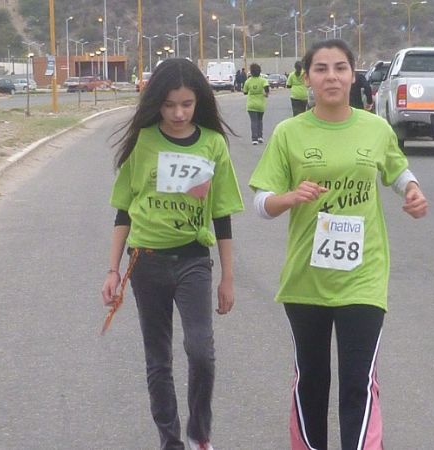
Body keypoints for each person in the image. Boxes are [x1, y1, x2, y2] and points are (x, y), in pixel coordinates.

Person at [248, 39, 428, 450]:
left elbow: (398, 171)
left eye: (341, 68)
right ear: (306, 77)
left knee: (358, 380)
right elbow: (261, 204)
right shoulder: (289, 133)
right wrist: (290, 197)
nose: (332, 76)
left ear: (353, 74)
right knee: (311, 378)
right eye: (322, 69)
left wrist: (413, 191)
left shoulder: (375, 128)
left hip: (363, 275)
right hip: (306, 278)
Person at [102, 58, 244, 450]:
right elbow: (123, 210)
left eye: (186, 104)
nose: (178, 113)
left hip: (193, 260)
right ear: (156, 104)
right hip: (144, 261)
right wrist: (112, 270)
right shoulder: (144, 141)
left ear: (198, 101)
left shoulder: (213, 144)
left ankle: (200, 432)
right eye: (168, 105)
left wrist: (227, 279)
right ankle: (170, 440)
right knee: (158, 359)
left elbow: (222, 214)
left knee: (200, 351)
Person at [242, 63, 269, 145]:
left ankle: (254, 139)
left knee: (253, 121)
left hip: (251, 104)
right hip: (260, 104)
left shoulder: (248, 81)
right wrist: (265, 94)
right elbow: (267, 88)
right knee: (260, 120)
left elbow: (245, 92)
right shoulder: (263, 80)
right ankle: (260, 136)